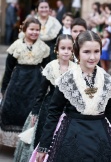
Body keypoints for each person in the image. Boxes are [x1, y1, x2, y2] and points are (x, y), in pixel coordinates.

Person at [31, 30, 111, 162]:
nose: (92, 57)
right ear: (77, 53)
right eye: (87, 52)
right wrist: (44, 146)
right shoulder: (67, 79)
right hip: (72, 136)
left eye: (96, 51)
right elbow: (54, 112)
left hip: (101, 138)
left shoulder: (107, 79)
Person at [14, 34, 77, 162]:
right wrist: (35, 111)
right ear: (57, 49)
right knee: (44, 137)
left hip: (69, 110)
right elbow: (41, 92)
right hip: (49, 108)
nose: (66, 51)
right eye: (63, 48)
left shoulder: (76, 68)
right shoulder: (51, 67)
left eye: (69, 48)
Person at [0, 17, 50, 147]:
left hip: (36, 82)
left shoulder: (43, 47)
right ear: (24, 29)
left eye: (37, 30)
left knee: (30, 111)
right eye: (31, 29)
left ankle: (28, 144)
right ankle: (13, 142)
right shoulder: (16, 45)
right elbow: (9, 69)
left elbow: (48, 69)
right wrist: (4, 89)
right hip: (17, 82)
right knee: (12, 109)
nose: (34, 32)